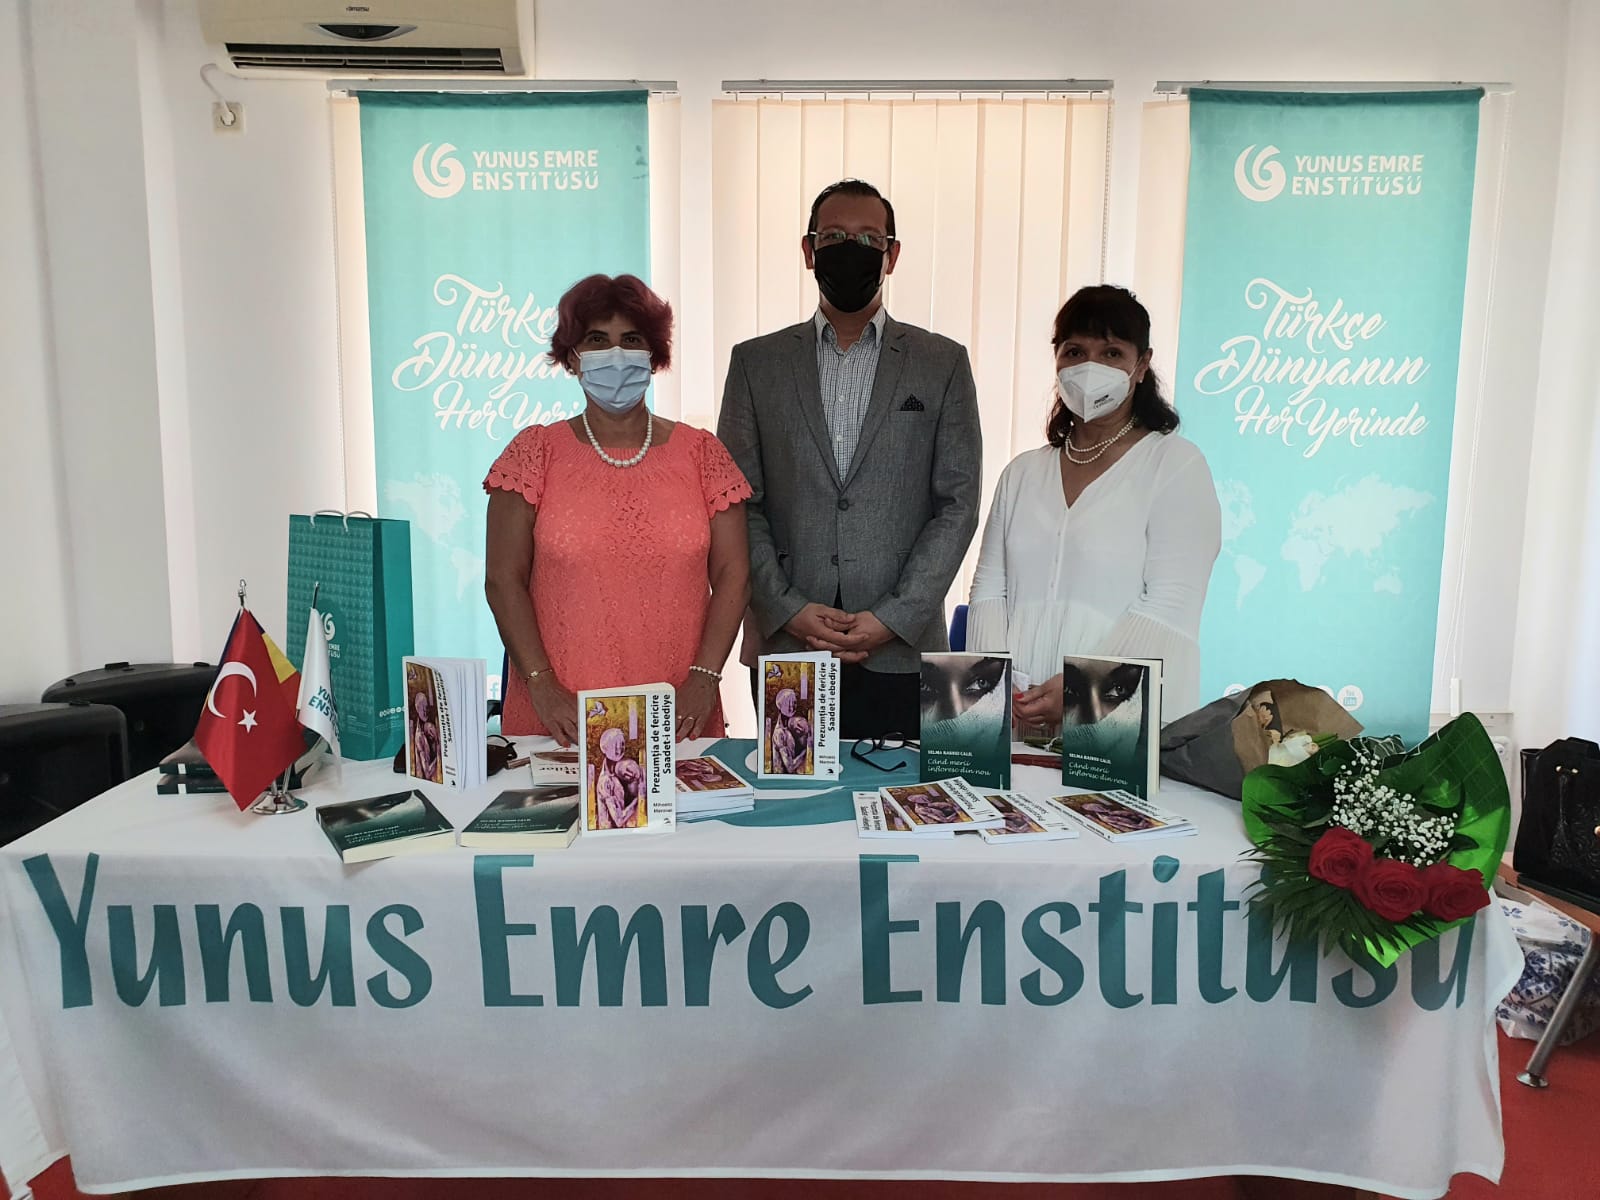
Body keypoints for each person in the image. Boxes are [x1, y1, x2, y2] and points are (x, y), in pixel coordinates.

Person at [718, 179, 982, 739]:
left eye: (868, 239)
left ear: (892, 255)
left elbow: (957, 506)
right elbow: (740, 504)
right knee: (793, 788)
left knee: (903, 790)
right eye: (835, 236)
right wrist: (786, 608)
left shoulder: (942, 363)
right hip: (789, 644)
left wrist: (893, 616)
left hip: (902, 648)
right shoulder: (755, 364)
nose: (851, 249)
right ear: (809, 250)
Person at [484, 274, 752, 746]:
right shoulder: (534, 454)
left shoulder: (702, 455)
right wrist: (541, 685)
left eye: (631, 340)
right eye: (596, 340)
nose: (615, 354)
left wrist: (706, 678)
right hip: (560, 718)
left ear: (653, 355)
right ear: (572, 357)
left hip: (678, 713)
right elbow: (502, 579)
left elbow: (734, 573)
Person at [966, 285, 1221, 728]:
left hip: (1119, 721)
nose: (1090, 367)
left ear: (1142, 365)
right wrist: (994, 694)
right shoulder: (1022, 473)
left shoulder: (1175, 464)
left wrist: (1082, 692)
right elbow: (989, 590)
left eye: (1112, 353)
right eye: (1075, 352)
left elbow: (1172, 602)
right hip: (1020, 717)